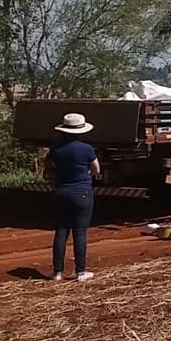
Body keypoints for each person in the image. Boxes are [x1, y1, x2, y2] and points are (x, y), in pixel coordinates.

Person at [43, 113, 100, 281]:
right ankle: (81, 272)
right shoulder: (87, 149)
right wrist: (86, 174)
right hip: (81, 192)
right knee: (79, 232)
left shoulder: (55, 148)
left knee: (61, 231)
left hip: (61, 191)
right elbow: (96, 169)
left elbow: (48, 170)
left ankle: (57, 272)